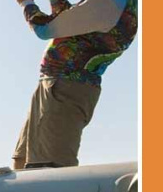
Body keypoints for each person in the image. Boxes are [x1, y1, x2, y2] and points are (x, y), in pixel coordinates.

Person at [13, 0, 138, 169]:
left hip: (64, 89)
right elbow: (66, 16)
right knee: (21, 161)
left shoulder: (107, 5)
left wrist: (26, 3)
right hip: (56, 86)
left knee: (46, 170)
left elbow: (45, 28)